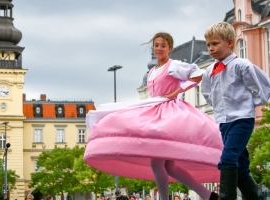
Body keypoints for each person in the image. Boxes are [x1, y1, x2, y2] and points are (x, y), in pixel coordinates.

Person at [84, 32, 223, 200]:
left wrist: (177, 91)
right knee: (169, 166)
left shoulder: (173, 65)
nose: (159, 48)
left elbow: (197, 74)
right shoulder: (152, 72)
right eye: (156, 45)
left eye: (163, 46)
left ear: (169, 48)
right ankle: (208, 195)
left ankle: (177, 198)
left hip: (169, 113)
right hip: (157, 110)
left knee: (156, 163)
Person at [202, 21, 270, 200]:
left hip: (242, 120)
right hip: (224, 121)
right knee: (240, 165)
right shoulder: (210, 71)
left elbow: (260, 86)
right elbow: (207, 92)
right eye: (208, 45)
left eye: (215, 44)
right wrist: (218, 107)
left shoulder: (242, 65)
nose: (211, 48)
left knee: (228, 158)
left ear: (229, 43)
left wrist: (247, 105)